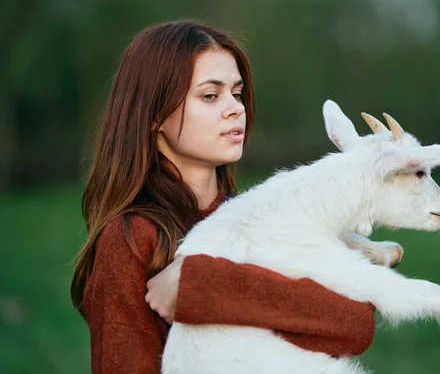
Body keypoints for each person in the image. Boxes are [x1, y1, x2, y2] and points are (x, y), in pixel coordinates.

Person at [70, 19, 376, 373]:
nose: (236, 108)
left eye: (237, 92)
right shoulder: (132, 239)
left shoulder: (259, 218)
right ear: (154, 114)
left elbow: (355, 325)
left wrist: (202, 286)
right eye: (210, 95)